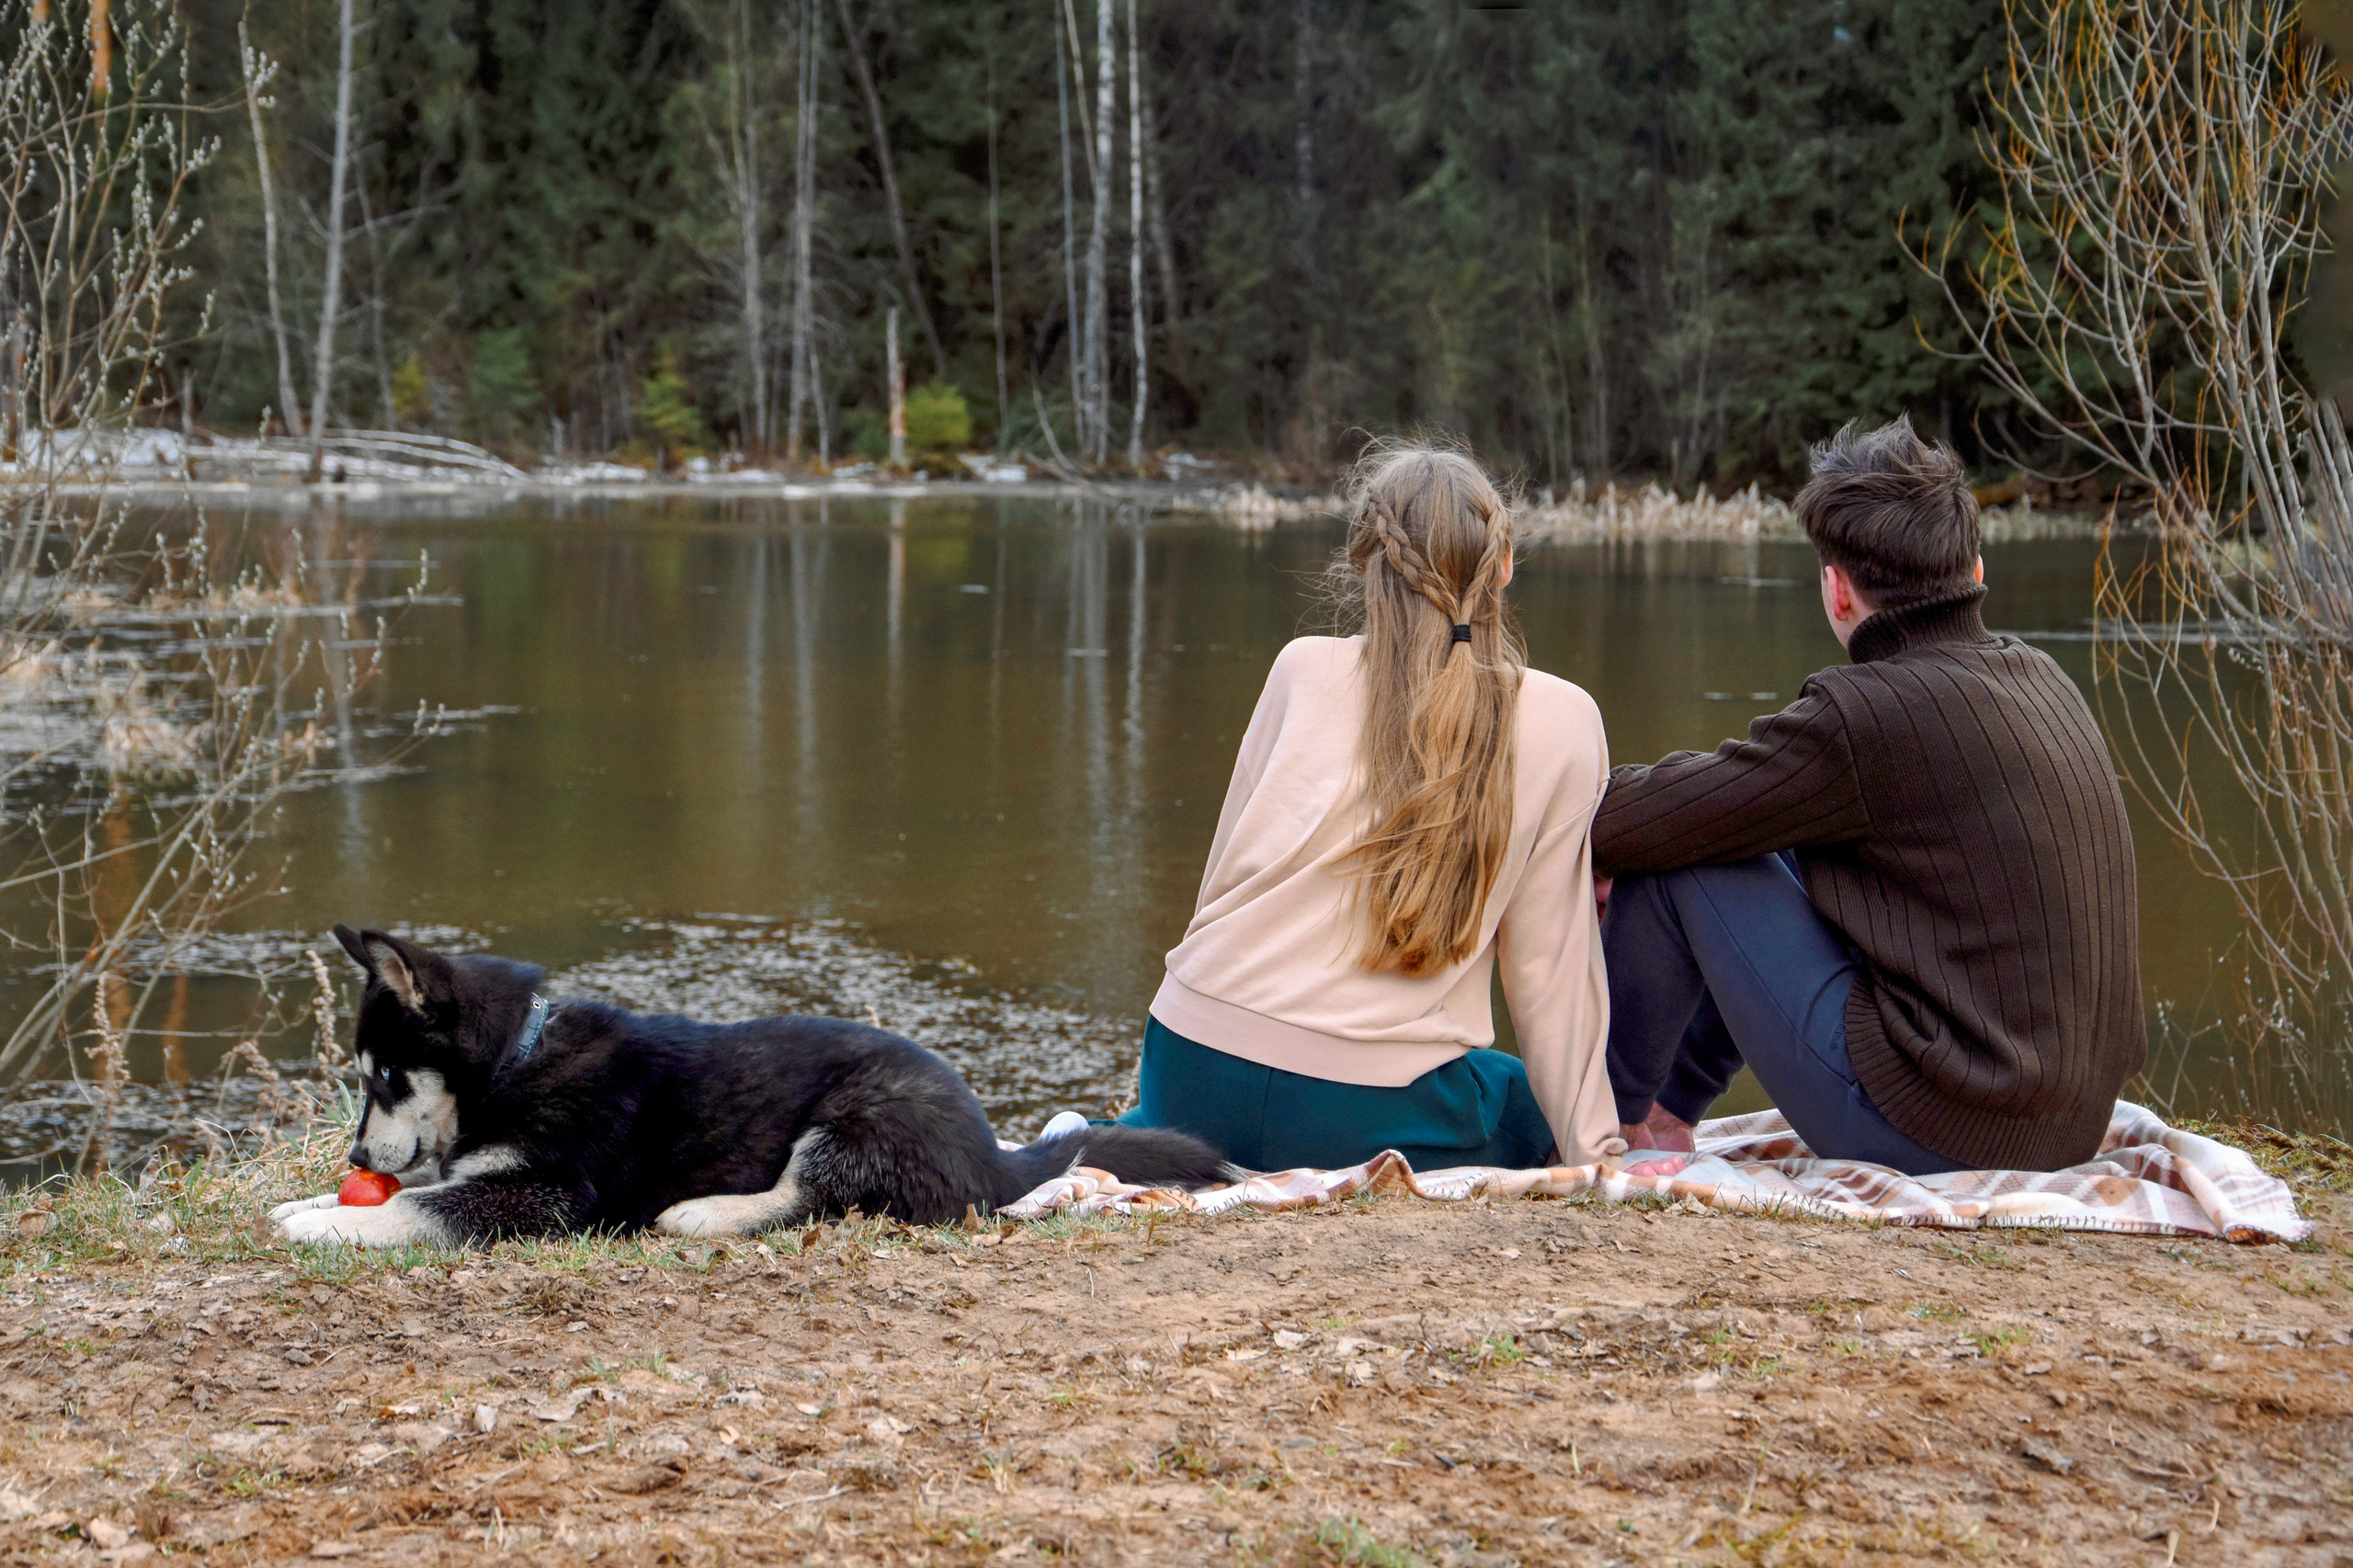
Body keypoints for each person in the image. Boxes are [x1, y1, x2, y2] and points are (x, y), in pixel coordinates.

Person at [1594, 415, 2143, 1177]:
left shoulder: (1869, 714)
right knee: (1744, 828)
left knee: (1683, 855)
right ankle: (1666, 1113)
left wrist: (1575, 833)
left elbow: (1633, 821)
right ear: (1976, 571)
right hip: (2067, 1124)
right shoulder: (2042, 678)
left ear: (1837, 589)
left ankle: (1606, 1126)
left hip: (1940, 1126)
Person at [1115, 444, 1618, 1172]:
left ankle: (1139, 1132)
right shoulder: (1565, 718)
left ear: (1364, 563)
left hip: (1188, 1071)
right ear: (1504, 564)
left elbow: (1218, 894)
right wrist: (1593, 1153)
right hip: (1356, 1112)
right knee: (1515, 1101)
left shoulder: (1299, 668)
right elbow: (1546, 971)